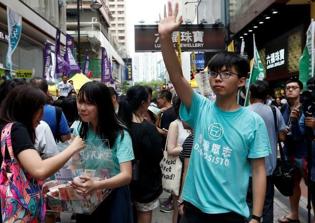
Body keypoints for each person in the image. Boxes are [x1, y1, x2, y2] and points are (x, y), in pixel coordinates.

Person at [158, 2, 270, 222]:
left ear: (241, 82)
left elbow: (258, 171)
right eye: (214, 73)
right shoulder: (201, 108)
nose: (218, 78)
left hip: (231, 213)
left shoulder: (253, 122)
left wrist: (256, 217)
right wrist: (164, 38)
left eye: (227, 74)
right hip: (194, 209)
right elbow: (176, 77)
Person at [0, 85, 85, 222]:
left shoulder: (7, 128)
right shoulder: (17, 129)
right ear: (27, 109)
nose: (43, 115)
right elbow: (39, 169)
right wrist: (72, 148)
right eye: (40, 108)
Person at [70, 81, 134, 223]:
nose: (82, 108)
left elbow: (126, 175)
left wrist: (97, 185)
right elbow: (75, 163)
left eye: (89, 103)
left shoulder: (121, 134)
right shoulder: (78, 129)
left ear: (103, 105)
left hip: (114, 196)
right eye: (80, 101)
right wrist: (76, 178)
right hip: (86, 194)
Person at [122, 85, 163, 223]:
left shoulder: (120, 125)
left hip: (121, 180)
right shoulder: (148, 129)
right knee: (144, 212)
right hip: (145, 182)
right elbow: (158, 155)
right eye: (149, 100)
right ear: (143, 103)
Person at [247, 80, 287, 223]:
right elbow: (282, 136)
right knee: (267, 204)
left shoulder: (244, 112)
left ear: (251, 95)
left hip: (247, 168)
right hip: (269, 167)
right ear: (267, 96)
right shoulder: (274, 111)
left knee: (249, 205)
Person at [278, 78, 307, 223]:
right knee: (293, 184)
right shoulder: (284, 109)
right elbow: (282, 131)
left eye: (294, 87)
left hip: (305, 154)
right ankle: (294, 214)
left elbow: (299, 135)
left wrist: (294, 123)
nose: (289, 90)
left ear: (300, 90)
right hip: (289, 152)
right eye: (287, 87)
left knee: (312, 187)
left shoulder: (306, 108)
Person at [30, 77, 71, 142]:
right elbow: (66, 138)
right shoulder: (57, 112)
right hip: (51, 151)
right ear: (47, 92)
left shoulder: (20, 110)